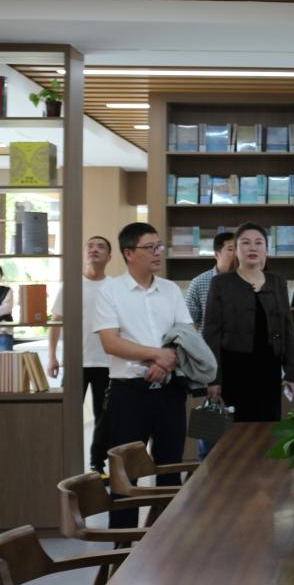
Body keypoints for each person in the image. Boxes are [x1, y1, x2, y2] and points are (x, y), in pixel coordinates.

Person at [94, 222, 193, 528]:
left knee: (170, 470)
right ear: (128, 253)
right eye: (150, 247)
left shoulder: (171, 290)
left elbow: (186, 334)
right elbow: (111, 342)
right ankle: (122, 546)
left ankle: (167, 540)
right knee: (125, 474)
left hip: (170, 391)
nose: (158, 252)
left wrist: (165, 362)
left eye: (159, 246)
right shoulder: (110, 291)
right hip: (129, 393)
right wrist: (156, 354)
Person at [202, 223, 294, 428]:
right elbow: (211, 334)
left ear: (266, 249)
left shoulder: (277, 283)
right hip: (233, 369)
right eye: (245, 243)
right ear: (236, 250)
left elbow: (287, 329)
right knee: (234, 432)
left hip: (269, 368)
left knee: (268, 429)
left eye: (258, 243)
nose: (252, 248)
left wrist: (291, 373)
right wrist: (213, 379)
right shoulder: (221, 283)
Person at [48, 236, 115, 475]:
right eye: (90, 246)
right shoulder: (71, 285)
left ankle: (97, 465)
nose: (94, 250)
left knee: (104, 417)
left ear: (109, 257)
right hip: (76, 361)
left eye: (101, 247)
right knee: (69, 415)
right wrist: (52, 356)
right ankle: (66, 464)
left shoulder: (115, 287)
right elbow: (56, 322)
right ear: (84, 253)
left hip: (107, 363)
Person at [183, 231, 236, 330]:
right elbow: (189, 322)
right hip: (207, 339)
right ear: (216, 254)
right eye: (231, 249)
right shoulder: (198, 283)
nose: (236, 254)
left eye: (239, 249)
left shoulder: (246, 281)